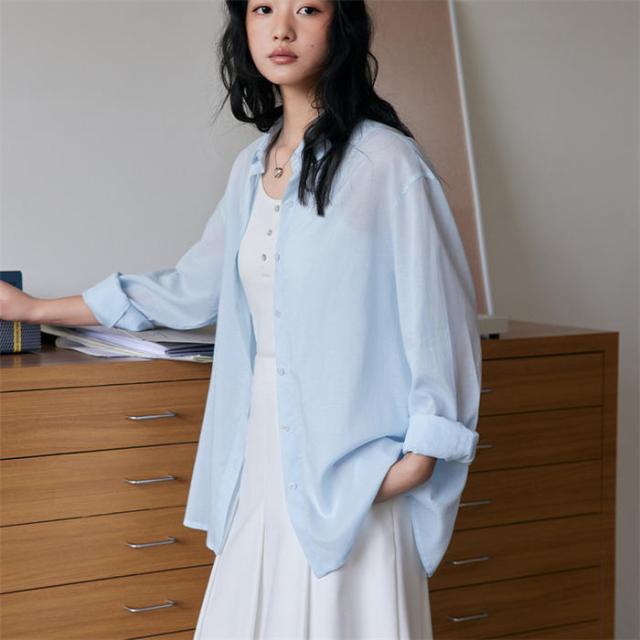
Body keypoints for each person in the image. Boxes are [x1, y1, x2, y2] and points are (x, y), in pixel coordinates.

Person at [0, 0, 482, 637]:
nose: (281, 28)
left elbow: (439, 321)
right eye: (262, 9)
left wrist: (421, 458)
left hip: (354, 461)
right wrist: (33, 309)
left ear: (341, 25)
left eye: (306, 8)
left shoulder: (388, 163)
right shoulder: (251, 168)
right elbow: (189, 289)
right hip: (259, 449)